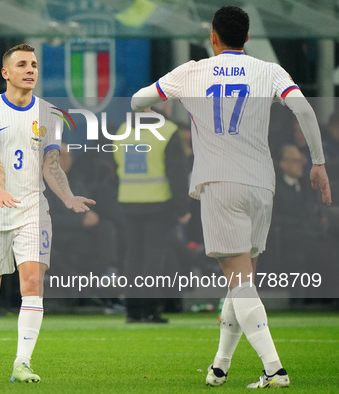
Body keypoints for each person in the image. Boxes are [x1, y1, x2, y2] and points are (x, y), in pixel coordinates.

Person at [130, 5, 331, 389]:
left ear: (213, 37)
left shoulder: (191, 71)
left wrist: (172, 99)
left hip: (221, 184)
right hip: (262, 185)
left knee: (238, 279)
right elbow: (304, 110)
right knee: (241, 280)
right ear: (248, 38)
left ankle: (275, 369)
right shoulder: (268, 71)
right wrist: (318, 163)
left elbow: (139, 100)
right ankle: (220, 366)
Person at [0, 43, 95, 383]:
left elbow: (51, 164)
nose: (30, 70)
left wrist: (67, 197)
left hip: (33, 210)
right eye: (22, 64)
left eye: (35, 65)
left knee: (33, 284)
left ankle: (21, 363)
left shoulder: (50, 113)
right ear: (5, 73)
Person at [114, 116, 190, 323]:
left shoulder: (122, 130)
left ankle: (133, 310)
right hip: (159, 202)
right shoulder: (167, 131)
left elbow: (115, 164)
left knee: (134, 257)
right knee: (153, 258)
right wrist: (183, 205)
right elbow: (177, 171)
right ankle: (149, 310)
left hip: (128, 199)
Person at [273, 144, 338, 296]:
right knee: (327, 255)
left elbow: (314, 212)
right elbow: (275, 218)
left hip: (313, 234)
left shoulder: (307, 185)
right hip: (291, 238)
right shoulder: (276, 188)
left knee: (334, 247)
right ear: (283, 164)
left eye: (300, 160)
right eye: (295, 161)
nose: (300, 164)